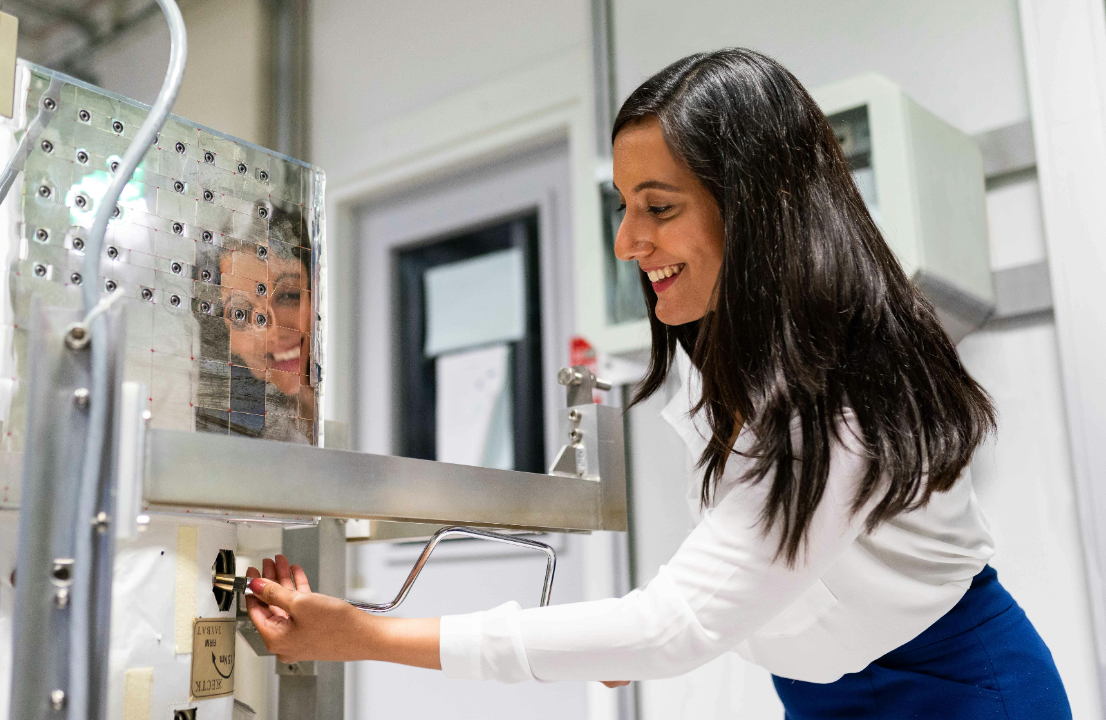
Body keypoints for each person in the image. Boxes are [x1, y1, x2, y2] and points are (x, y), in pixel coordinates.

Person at [241, 49, 1072, 718]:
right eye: (622, 206)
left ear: (754, 208)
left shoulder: (836, 386)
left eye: (659, 207)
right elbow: (733, 566)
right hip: (826, 696)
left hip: (960, 695)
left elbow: (676, 623)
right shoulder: (725, 360)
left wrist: (360, 636)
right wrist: (607, 641)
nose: (627, 242)